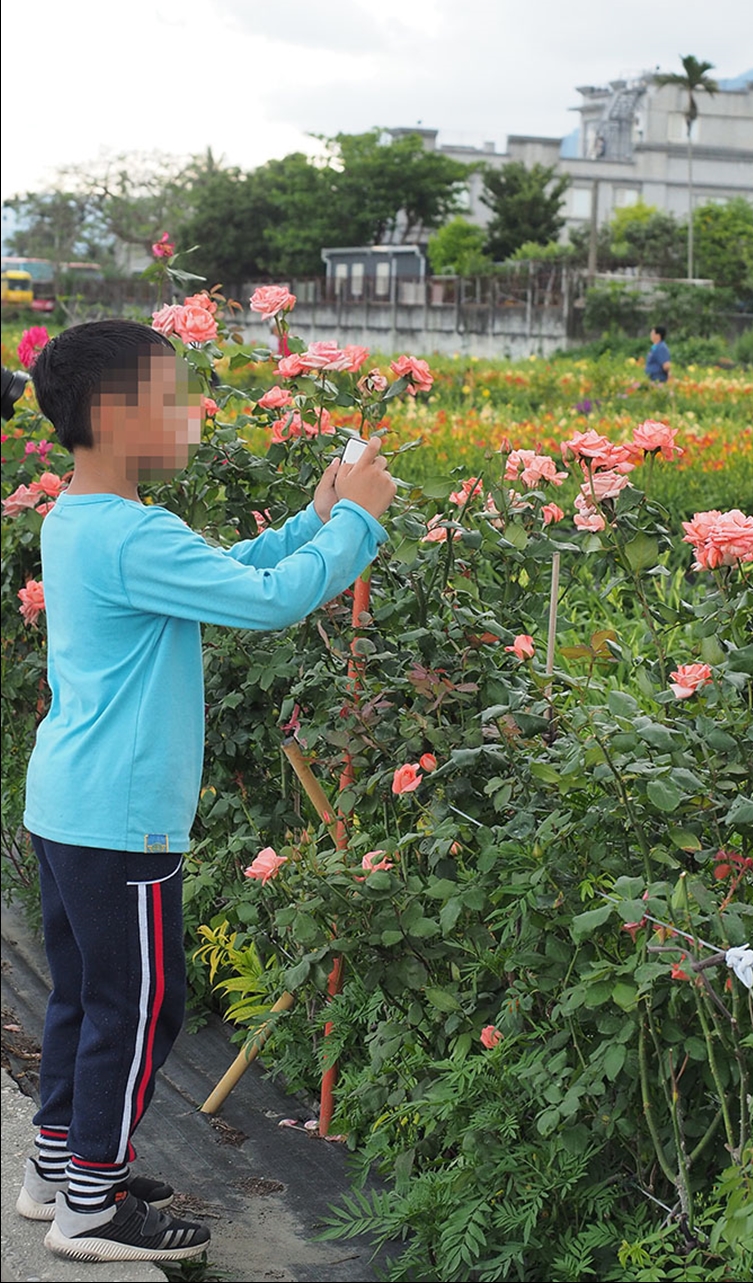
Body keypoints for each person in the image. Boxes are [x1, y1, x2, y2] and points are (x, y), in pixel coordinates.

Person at [17, 319, 396, 1265]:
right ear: (113, 415)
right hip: (121, 822)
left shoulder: (85, 518)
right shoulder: (132, 533)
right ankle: (91, 1210)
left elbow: (228, 575)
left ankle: (59, 1168)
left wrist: (314, 522)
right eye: (172, 396)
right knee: (141, 1008)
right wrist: (360, 523)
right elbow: (267, 603)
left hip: (70, 808)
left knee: (84, 997)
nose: (191, 412)